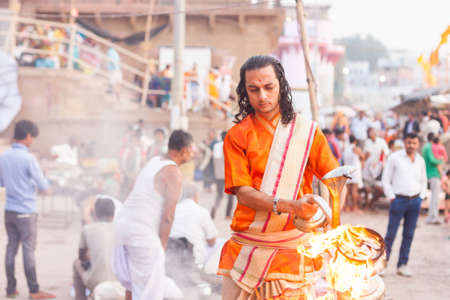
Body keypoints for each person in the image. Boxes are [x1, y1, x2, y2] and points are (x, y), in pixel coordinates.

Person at [218, 55, 339, 299]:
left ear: (281, 86)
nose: (262, 96)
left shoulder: (307, 132)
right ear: (245, 92)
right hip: (247, 249)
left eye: (268, 87)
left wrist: (329, 222)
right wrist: (291, 206)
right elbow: (242, 192)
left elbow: (333, 179)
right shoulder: (237, 136)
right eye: (253, 89)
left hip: (294, 250)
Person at [112, 130, 194, 300]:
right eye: (191, 150)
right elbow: (168, 216)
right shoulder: (173, 173)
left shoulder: (154, 161)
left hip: (122, 226)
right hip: (140, 233)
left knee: (134, 287)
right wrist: (162, 247)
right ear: (184, 150)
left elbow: (131, 190)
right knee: (149, 292)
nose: (193, 154)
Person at [0, 120, 55, 299]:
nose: (33, 142)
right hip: (26, 211)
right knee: (28, 250)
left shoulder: (3, 157)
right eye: (33, 138)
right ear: (28, 136)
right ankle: (34, 290)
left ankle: (10, 288)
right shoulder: (29, 158)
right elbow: (43, 186)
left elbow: (1, 182)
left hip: (9, 211)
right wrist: (48, 183)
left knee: (11, 248)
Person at [382, 133, 427, 277]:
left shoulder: (420, 160)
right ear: (404, 143)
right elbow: (386, 179)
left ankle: (402, 265)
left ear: (418, 144)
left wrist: (421, 196)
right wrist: (391, 197)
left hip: (415, 201)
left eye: (414, 143)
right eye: (409, 143)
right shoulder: (395, 158)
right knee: (390, 235)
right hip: (398, 200)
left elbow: (423, 180)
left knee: (409, 235)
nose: (411, 146)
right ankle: (382, 265)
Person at [73, 197, 124, 300]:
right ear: (114, 214)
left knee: (77, 263)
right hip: (122, 283)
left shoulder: (87, 229)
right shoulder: (123, 229)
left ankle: (80, 298)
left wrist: (92, 257)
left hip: (97, 282)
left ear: (95, 214)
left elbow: (82, 257)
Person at [169, 182, 224, 274]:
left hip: (172, 255)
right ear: (195, 195)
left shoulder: (172, 210)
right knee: (222, 243)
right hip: (194, 259)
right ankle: (209, 274)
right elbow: (212, 241)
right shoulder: (201, 211)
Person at [362, 127, 389, 209]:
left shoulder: (381, 141)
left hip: (379, 168)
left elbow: (386, 153)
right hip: (368, 168)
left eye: (373, 132)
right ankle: (367, 205)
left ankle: (371, 203)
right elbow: (365, 155)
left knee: (380, 190)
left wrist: (381, 160)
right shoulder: (367, 142)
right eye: (371, 132)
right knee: (367, 188)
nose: (373, 134)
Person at [211, 131, 234, 219]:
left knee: (219, 194)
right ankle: (228, 215)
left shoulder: (216, 146)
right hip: (228, 175)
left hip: (218, 175)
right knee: (230, 196)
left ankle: (214, 207)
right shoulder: (230, 146)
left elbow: (214, 160)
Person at [422, 132, 443, 224]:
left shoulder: (425, 146)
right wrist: (441, 160)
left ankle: (432, 217)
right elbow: (432, 159)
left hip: (428, 173)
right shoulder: (430, 147)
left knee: (433, 196)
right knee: (435, 197)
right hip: (433, 173)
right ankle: (432, 217)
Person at [342, 135, 364, 212]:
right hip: (355, 171)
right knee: (354, 190)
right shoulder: (356, 148)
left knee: (347, 190)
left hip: (346, 170)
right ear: (355, 141)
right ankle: (355, 207)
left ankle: (347, 206)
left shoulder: (345, 148)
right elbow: (363, 157)